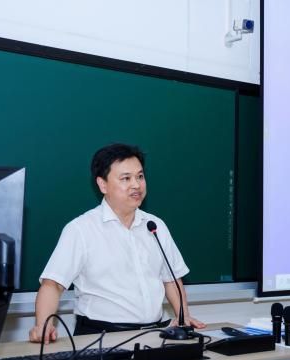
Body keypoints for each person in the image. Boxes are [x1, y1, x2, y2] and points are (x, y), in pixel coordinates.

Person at [29, 143, 205, 343]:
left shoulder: (155, 226)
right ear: (102, 185)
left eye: (140, 176)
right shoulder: (81, 229)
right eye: (126, 178)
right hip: (99, 338)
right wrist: (43, 325)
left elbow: (172, 280)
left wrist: (183, 316)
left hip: (155, 334)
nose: (136, 185)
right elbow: (52, 285)